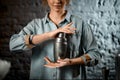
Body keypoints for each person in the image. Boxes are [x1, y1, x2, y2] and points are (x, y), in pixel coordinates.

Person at [9, 0, 101, 80]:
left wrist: (71, 61)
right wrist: (48, 35)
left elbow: (95, 55)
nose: (57, 1)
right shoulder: (35, 25)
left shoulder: (80, 24)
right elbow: (13, 45)